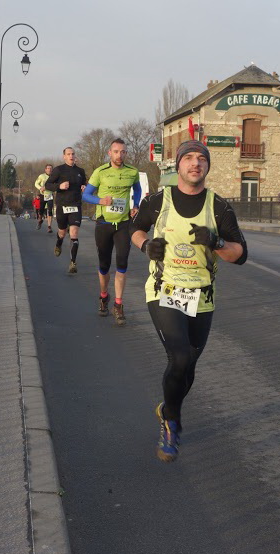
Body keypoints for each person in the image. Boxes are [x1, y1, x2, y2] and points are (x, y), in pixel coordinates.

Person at [130, 140, 247, 462]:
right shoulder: (157, 201)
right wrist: (145, 246)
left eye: (201, 159)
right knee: (179, 357)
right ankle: (172, 425)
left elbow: (240, 255)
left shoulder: (219, 207)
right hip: (163, 289)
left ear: (207, 166)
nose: (195, 163)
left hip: (202, 296)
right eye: (189, 158)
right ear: (178, 164)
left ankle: (167, 407)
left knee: (189, 366)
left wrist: (217, 241)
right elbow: (136, 229)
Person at [82, 138, 141, 326]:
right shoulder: (100, 172)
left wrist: (136, 205)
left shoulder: (132, 171)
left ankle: (118, 304)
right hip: (104, 223)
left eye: (123, 152)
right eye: (116, 151)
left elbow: (137, 189)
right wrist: (101, 201)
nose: (120, 155)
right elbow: (85, 195)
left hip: (124, 224)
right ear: (110, 153)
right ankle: (103, 296)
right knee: (104, 265)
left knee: (122, 263)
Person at [45, 147, 87, 273]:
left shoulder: (80, 171)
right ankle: (59, 243)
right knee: (62, 232)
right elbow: (47, 185)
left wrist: (85, 186)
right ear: (64, 156)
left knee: (74, 233)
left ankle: (73, 263)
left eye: (73, 154)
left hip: (76, 206)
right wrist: (59, 186)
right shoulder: (59, 170)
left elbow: (84, 184)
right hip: (62, 206)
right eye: (68, 154)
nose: (71, 156)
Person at [34, 164, 54, 232]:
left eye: (50, 168)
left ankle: (49, 227)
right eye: (48, 168)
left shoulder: (54, 176)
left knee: (50, 210)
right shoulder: (41, 176)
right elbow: (36, 183)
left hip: (50, 195)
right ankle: (40, 220)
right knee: (41, 210)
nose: (49, 169)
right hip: (42, 195)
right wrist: (40, 188)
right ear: (45, 169)